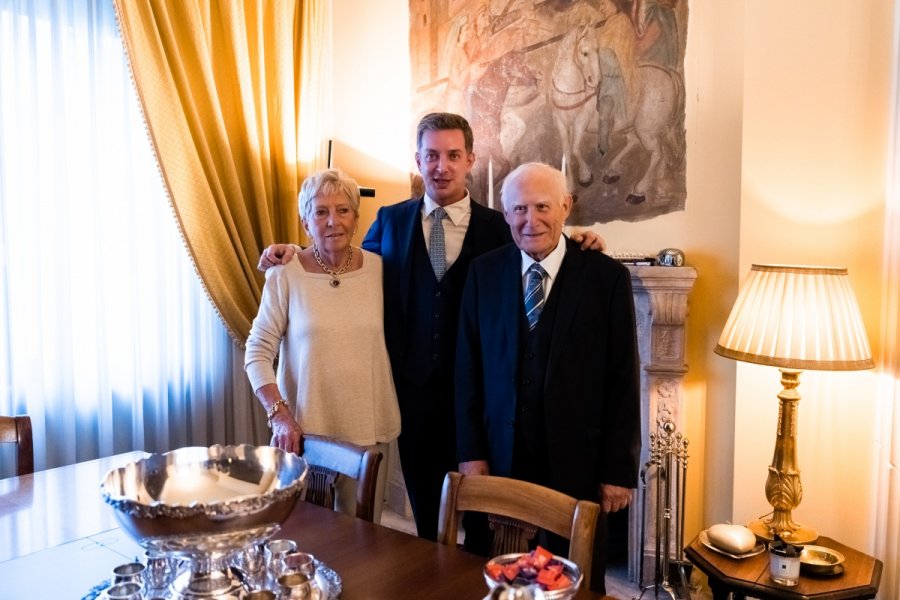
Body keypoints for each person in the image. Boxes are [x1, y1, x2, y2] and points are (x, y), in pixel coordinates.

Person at [257, 112, 604, 542]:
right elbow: (343, 265)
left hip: (482, 403)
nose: (442, 166)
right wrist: (293, 251)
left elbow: (540, 250)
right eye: (432, 156)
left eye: (453, 155)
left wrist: (578, 242)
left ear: (470, 160)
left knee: (483, 515)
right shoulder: (391, 221)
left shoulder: (501, 227)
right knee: (426, 521)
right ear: (418, 161)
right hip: (412, 400)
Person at [454, 162, 640, 593]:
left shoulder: (606, 278)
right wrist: (470, 453)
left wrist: (618, 469)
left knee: (574, 581)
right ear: (505, 214)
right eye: (519, 208)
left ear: (566, 206)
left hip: (577, 466)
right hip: (499, 460)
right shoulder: (484, 273)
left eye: (542, 206)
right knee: (498, 579)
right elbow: (467, 373)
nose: (530, 219)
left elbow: (623, 380)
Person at [245, 168, 400, 523]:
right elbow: (257, 351)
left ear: (357, 218)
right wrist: (279, 416)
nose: (333, 221)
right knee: (300, 537)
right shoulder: (285, 274)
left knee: (363, 540)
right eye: (321, 211)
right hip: (302, 434)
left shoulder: (380, 269)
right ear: (305, 222)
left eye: (343, 210)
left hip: (368, 429)